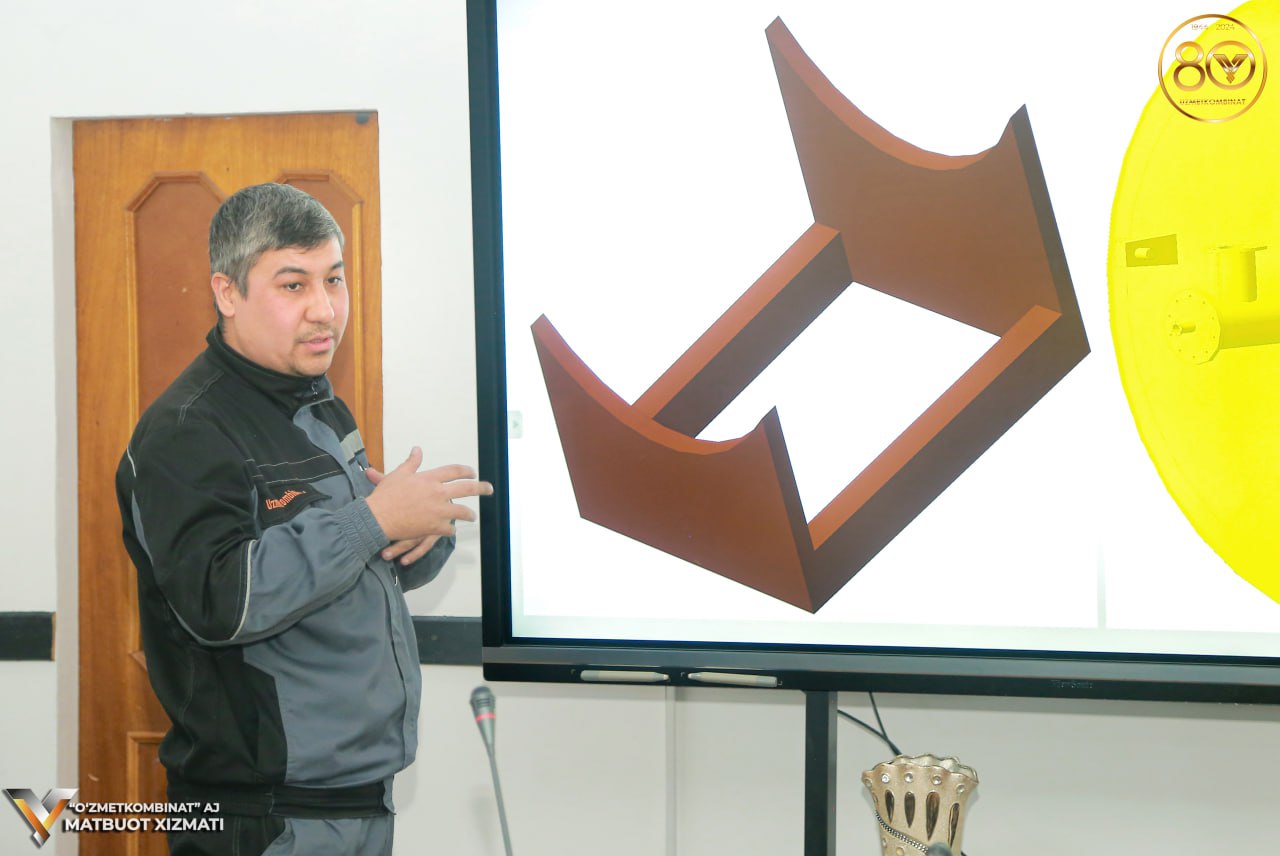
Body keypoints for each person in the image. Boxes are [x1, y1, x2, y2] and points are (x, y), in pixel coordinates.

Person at [116, 182, 493, 856]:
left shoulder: (317, 405)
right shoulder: (185, 432)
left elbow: (338, 570)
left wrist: (415, 534)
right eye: (294, 285)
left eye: (334, 279)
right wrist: (372, 521)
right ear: (228, 293)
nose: (325, 309)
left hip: (356, 799)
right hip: (264, 817)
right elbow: (221, 602)